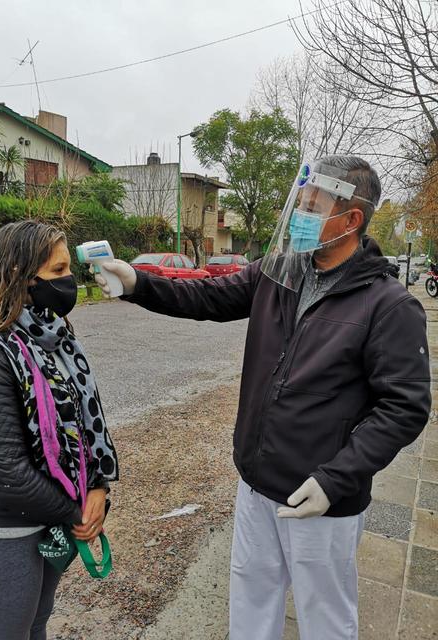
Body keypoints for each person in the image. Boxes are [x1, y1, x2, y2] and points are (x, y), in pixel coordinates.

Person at [95, 156, 431, 640]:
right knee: (250, 600)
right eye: (300, 203)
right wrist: (137, 284)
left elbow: (404, 409)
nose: (300, 214)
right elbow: (207, 296)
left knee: (326, 616)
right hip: (256, 483)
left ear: (352, 219)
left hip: (322, 499)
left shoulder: (388, 306)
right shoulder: (279, 274)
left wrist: (337, 479)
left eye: (313, 206)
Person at [0, 220, 119, 640]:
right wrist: (78, 510)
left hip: (50, 517)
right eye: (59, 270)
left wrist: (98, 486)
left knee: (38, 621)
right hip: (4, 528)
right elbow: (8, 473)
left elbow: (85, 424)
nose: (70, 281)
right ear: (19, 277)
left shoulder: (54, 336)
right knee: (11, 630)